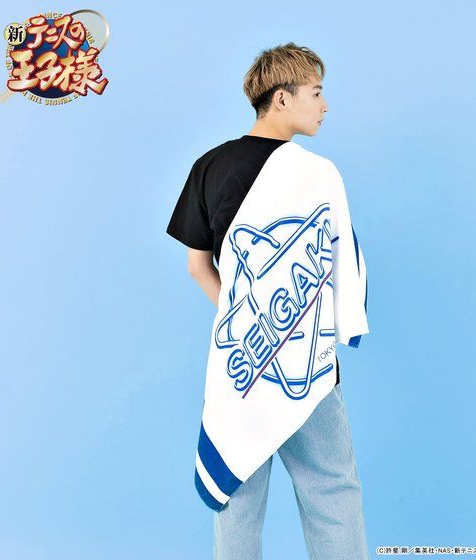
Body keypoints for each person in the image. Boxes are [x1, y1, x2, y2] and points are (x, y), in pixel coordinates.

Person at [166, 42, 370, 560]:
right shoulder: (320, 174)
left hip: (239, 360)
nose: (325, 105)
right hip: (309, 363)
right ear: (282, 98)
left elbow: (197, 266)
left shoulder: (208, 166)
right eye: (316, 93)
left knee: (236, 495)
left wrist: (246, 321)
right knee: (331, 488)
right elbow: (343, 265)